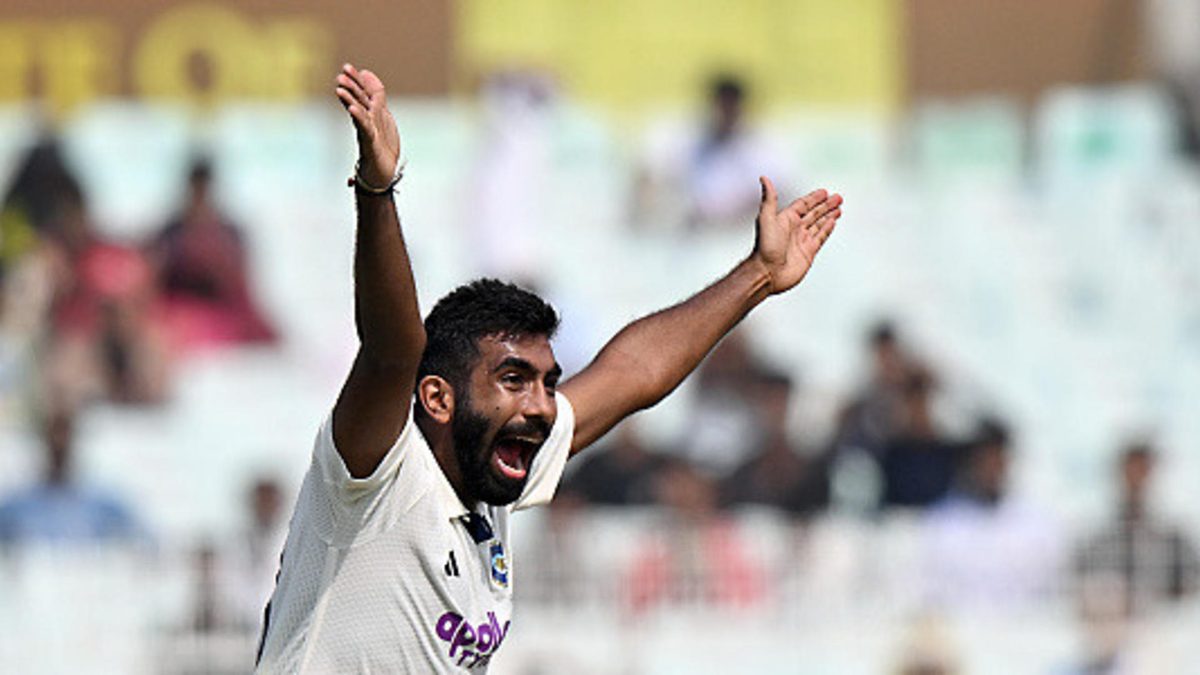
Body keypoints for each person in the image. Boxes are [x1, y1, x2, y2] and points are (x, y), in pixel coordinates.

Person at [254, 64, 843, 673]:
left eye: (547, 382)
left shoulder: (492, 482)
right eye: (513, 381)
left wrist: (758, 277)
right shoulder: (374, 476)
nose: (540, 405)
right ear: (436, 398)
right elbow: (390, 352)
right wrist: (378, 192)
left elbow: (632, 374)